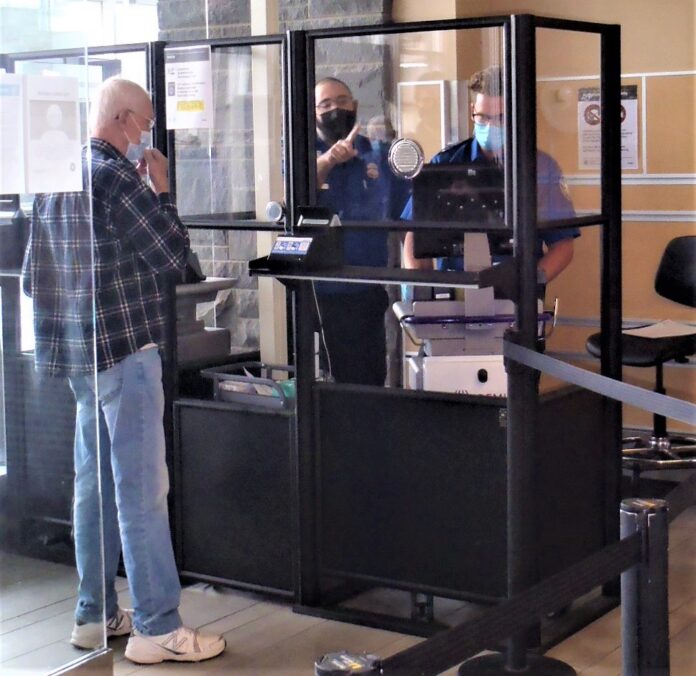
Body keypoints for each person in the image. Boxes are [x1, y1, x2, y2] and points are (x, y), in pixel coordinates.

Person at [22, 77, 226, 665]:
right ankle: (158, 625)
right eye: (147, 125)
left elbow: (35, 279)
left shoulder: (59, 177)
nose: (148, 136)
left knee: (94, 486)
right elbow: (172, 256)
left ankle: (94, 615)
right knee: (142, 491)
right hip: (127, 354)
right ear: (124, 119)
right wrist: (162, 190)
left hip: (80, 359)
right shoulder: (117, 178)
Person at [402, 65, 579, 286]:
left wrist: (527, 286)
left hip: (515, 290)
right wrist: (423, 287)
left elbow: (562, 246)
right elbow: (414, 232)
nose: (491, 126)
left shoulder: (540, 168)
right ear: (472, 111)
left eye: (501, 118)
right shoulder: (446, 163)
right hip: (455, 289)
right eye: (483, 117)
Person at [313, 77, 394, 386]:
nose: (335, 109)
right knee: (327, 383)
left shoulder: (375, 151)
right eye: (325, 104)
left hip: (367, 290)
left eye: (342, 101)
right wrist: (329, 160)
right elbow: (292, 192)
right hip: (320, 296)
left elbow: (403, 205)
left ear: (355, 106)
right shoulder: (302, 151)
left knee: (370, 380)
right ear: (313, 112)